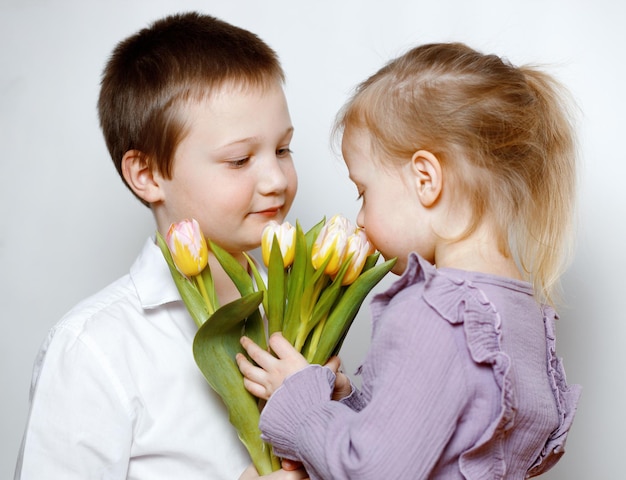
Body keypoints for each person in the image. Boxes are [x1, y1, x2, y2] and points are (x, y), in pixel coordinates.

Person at [236, 42, 581, 479]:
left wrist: (297, 400)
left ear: (426, 179)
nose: (360, 219)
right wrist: (348, 405)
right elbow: (439, 439)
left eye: (364, 192)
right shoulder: (521, 311)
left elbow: (374, 471)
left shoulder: (432, 312)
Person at [15, 12, 307, 480]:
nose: (276, 179)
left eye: (284, 149)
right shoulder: (94, 349)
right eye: (239, 159)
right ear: (148, 175)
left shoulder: (300, 307)